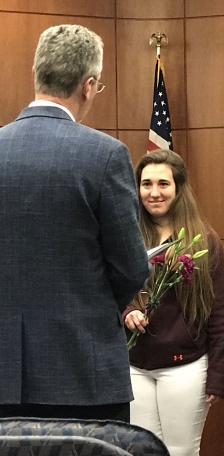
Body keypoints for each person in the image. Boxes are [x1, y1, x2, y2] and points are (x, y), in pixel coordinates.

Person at [0, 24, 150, 422]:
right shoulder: (105, 155)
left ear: (37, 73)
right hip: (84, 373)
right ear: (88, 86)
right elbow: (131, 267)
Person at [123, 149, 224, 456]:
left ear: (178, 188)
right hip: (135, 366)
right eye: (146, 184)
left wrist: (218, 377)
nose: (154, 192)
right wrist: (128, 311)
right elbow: (110, 291)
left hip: (185, 367)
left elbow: (219, 316)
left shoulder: (204, 241)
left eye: (163, 184)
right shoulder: (126, 236)